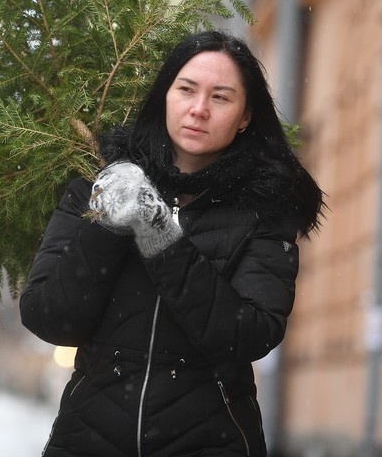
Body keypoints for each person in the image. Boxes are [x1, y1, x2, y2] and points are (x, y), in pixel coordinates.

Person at [19, 30, 325, 456]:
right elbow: (50, 317)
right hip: (88, 439)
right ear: (165, 95)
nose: (199, 109)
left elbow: (249, 334)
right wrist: (108, 222)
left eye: (220, 97)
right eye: (186, 90)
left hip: (211, 441)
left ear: (245, 116)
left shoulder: (265, 210)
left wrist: (159, 231)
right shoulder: (98, 185)